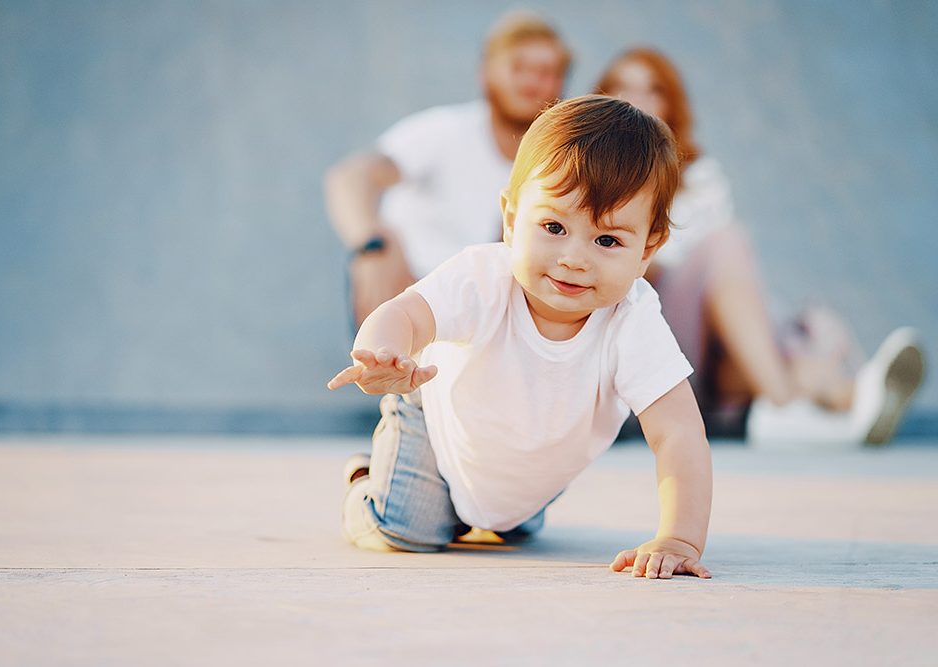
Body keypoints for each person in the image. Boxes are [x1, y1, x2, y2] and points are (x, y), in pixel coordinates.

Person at [328, 95, 713, 579]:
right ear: (511, 220)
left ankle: (487, 512)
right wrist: (384, 352)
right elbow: (406, 313)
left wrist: (679, 537)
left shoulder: (632, 320)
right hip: (439, 427)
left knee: (511, 528)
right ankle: (366, 484)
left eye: (608, 240)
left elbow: (678, 432)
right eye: (553, 226)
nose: (574, 257)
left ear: (647, 251)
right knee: (412, 529)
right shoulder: (482, 278)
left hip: (527, 470)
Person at [595, 47, 925, 445]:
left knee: (739, 293)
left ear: (670, 101)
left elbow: (726, 289)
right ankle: (814, 401)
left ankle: (846, 401)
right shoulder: (593, 174)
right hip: (648, 334)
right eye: (623, 88)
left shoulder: (699, 179)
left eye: (651, 89)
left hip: (710, 359)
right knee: (727, 242)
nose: (637, 100)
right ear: (604, 97)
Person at [324, 10, 570, 327]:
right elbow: (351, 177)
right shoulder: (445, 131)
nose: (532, 81)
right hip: (406, 292)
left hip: (489, 313)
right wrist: (372, 244)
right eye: (518, 67)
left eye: (547, 71)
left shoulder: (563, 160)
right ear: (485, 73)